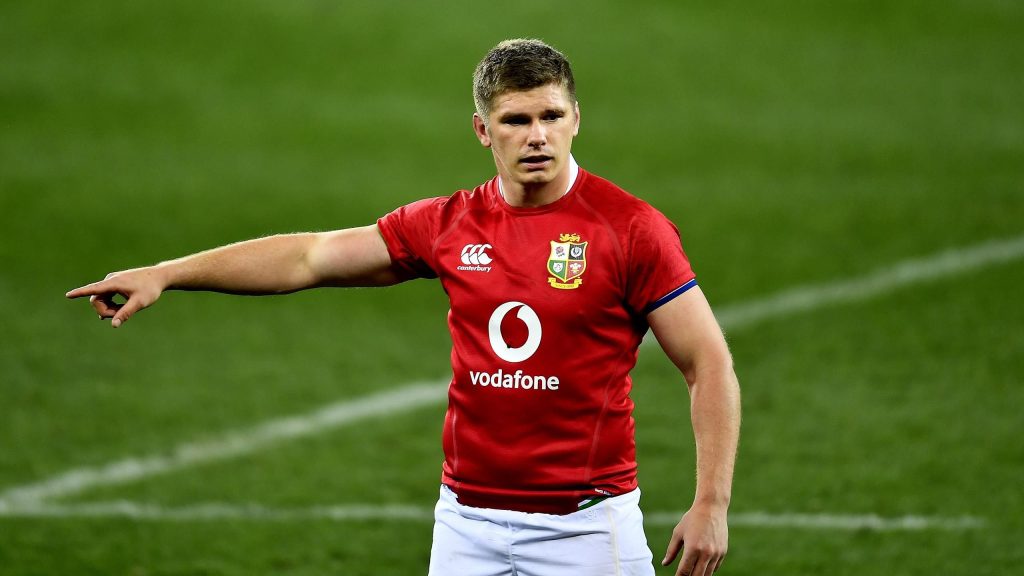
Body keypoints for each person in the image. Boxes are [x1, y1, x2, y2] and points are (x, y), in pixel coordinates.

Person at [67, 39, 740, 576]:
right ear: (483, 130)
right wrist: (167, 274)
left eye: (551, 117)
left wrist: (710, 502)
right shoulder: (449, 224)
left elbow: (706, 362)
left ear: (576, 120)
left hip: (586, 530)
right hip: (466, 526)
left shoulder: (631, 230)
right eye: (516, 120)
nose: (537, 136)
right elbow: (309, 258)